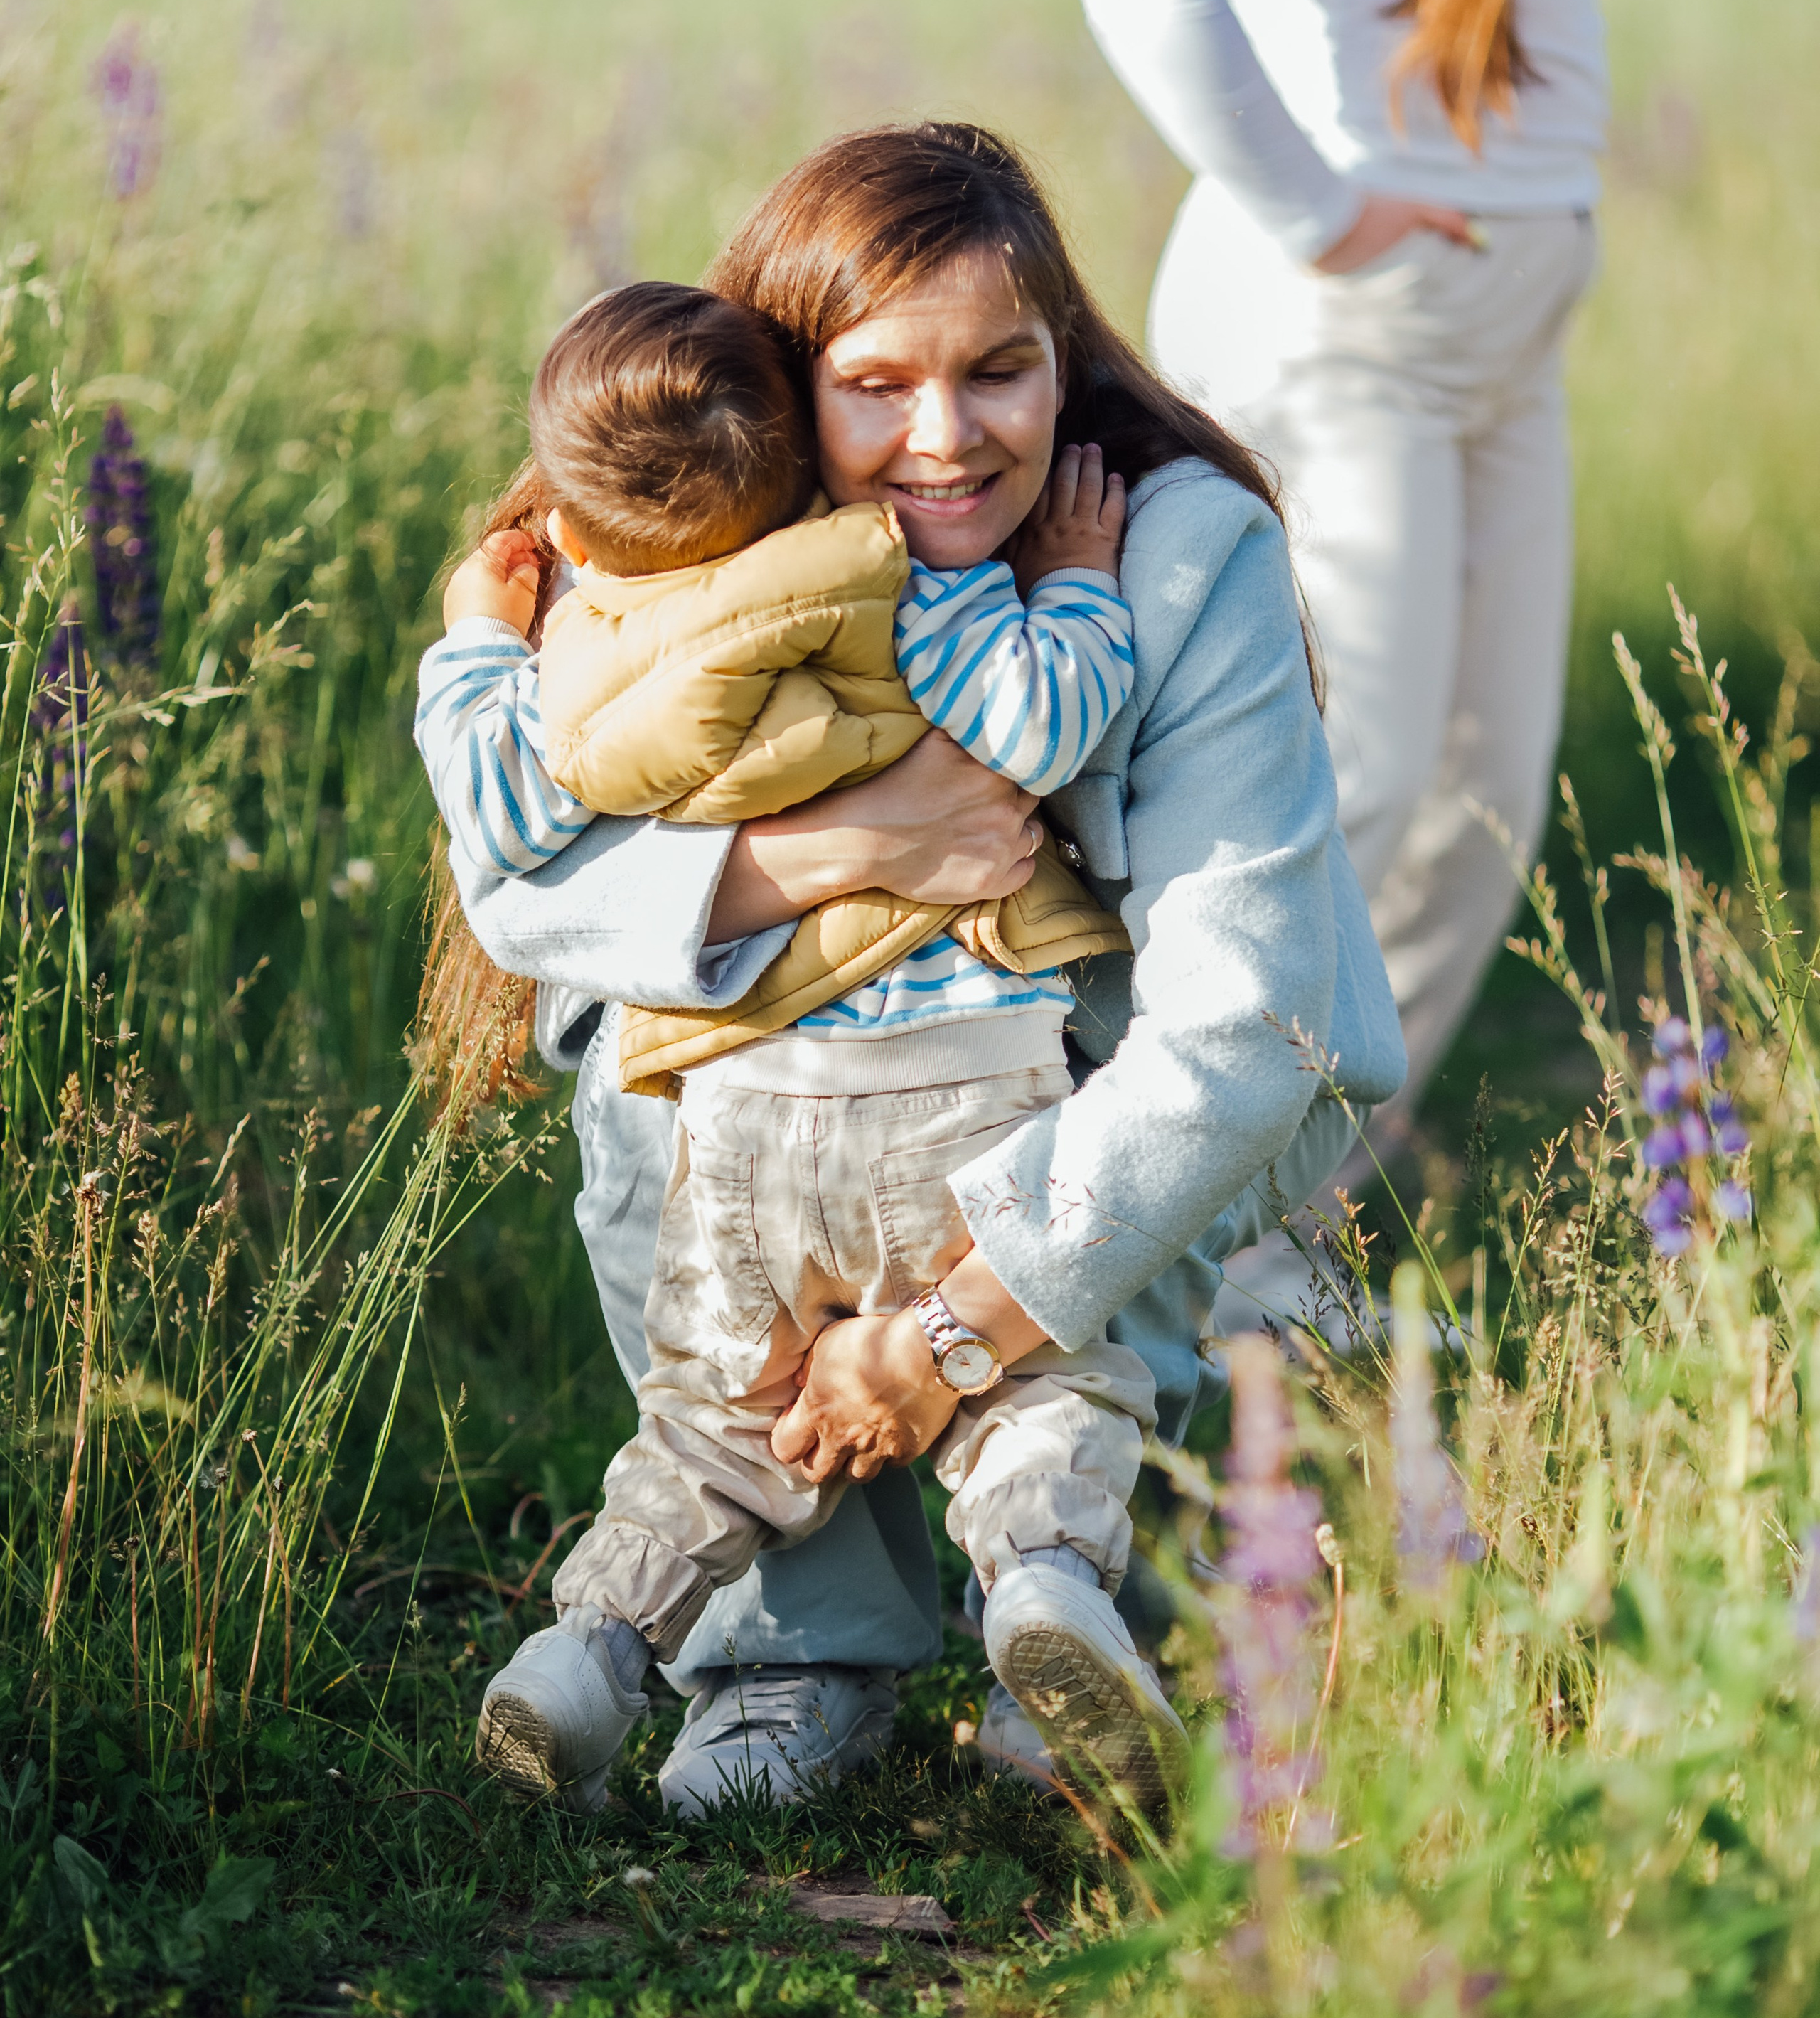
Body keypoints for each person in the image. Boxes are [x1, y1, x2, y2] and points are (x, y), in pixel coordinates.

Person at [418, 122, 1405, 1814]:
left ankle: (1073, 1598)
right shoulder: (697, 528)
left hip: (1094, 1069)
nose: (944, 438)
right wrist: (851, 843)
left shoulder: (1170, 552)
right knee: (642, 1062)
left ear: (1061, 364)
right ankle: (796, 1638)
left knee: (1116, 1122)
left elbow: (1243, 1024)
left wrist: (940, 1335)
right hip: (799, 1099)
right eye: (875, 383)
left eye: (999, 371)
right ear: (782, 388)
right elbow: (520, 894)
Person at [1081, 0, 1738, 1323]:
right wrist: (1321, 206)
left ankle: (1264, 1248)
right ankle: (1126, 1262)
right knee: (1332, 799)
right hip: (1342, 331)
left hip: (1490, 345)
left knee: (1472, 804)